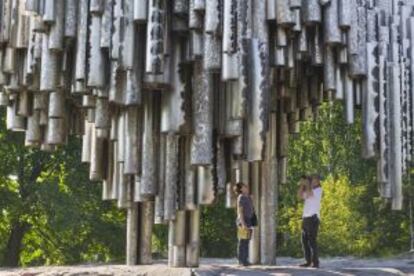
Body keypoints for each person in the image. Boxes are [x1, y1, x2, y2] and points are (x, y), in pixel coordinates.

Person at [297, 174, 322, 268]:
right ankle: (308, 261)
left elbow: (310, 194)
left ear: (318, 181)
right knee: (304, 241)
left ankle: (316, 262)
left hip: (313, 218)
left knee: (312, 241)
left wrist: (307, 184)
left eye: (314, 180)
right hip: (306, 218)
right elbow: (299, 196)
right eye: (312, 180)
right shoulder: (308, 189)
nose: (312, 181)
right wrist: (302, 185)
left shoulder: (318, 190)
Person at [234, 182, 254, 266]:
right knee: (242, 241)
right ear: (241, 189)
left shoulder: (248, 197)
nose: (246, 187)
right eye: (244, 186)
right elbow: (240, 211)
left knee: (247, 241)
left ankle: (245, 259)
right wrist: (243, 223)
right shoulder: (241, 197)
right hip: (243, 220)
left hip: (248, 220)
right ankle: (241, 260)